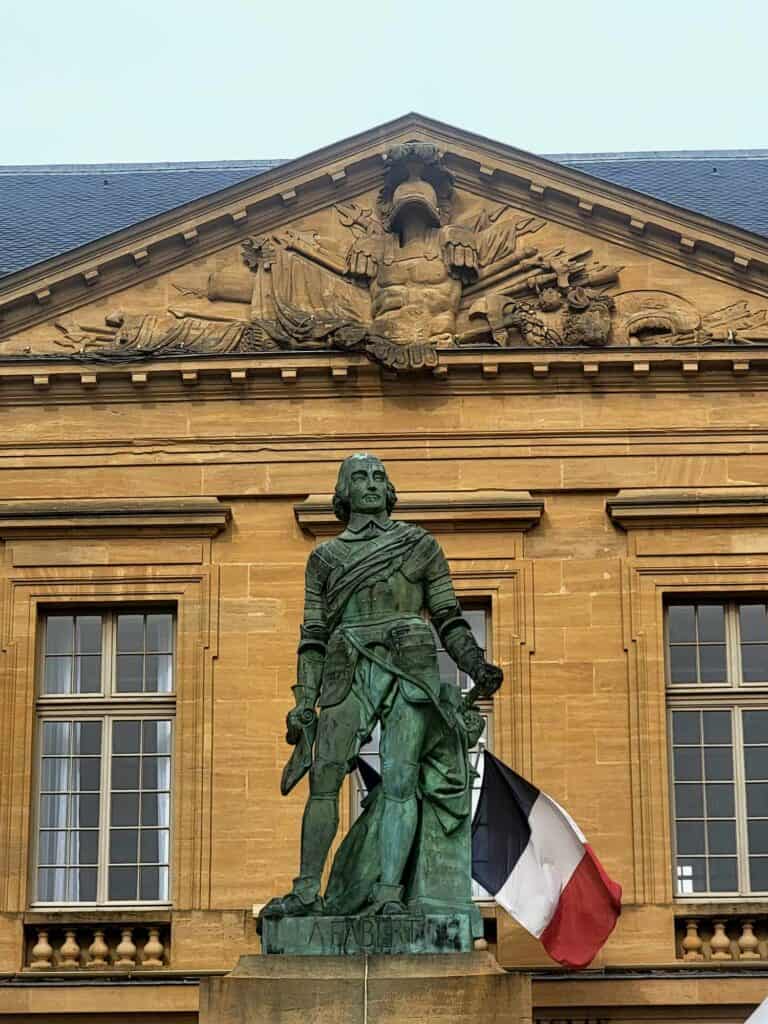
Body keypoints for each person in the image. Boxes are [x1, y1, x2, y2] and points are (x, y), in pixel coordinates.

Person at [264, 453, 502, 920]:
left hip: (410, 666)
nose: (371, 484)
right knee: (325, 779)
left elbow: (449, 618)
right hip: (345, 663)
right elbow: (312, 636)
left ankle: (390, 892)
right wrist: (304, 701)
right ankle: (307, 889)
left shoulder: (420, 545)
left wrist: (474, 662)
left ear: (389, 490)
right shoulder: (325, 558)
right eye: (359, 477)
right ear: (343, 493)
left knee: (400, 780)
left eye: (378, 477)